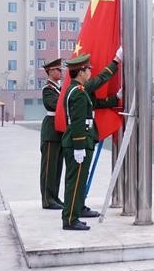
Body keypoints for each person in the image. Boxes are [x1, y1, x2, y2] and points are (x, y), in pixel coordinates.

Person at [61, 48, 122, 231]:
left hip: (81, 141)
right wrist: (79, 146)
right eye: (88, 69)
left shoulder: (77, 90)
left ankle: (75, 211)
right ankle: (70, 219)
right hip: (78, 143)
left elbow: (95, 104)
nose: (90, 72)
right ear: (80, 72)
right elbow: (78, 122)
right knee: (75, 182)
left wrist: (115, 98)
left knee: (78, 180)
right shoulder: (78, 92)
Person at [40, 58, 65, 210]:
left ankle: (54, 197)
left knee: (57, 167)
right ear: (50, 71)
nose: (60, 72)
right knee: (49, 167)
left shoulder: (59, 89)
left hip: (59, 131)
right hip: (51, 131)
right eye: (58, 70)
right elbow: (54, 104)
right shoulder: (48, 89)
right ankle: (47, 199)